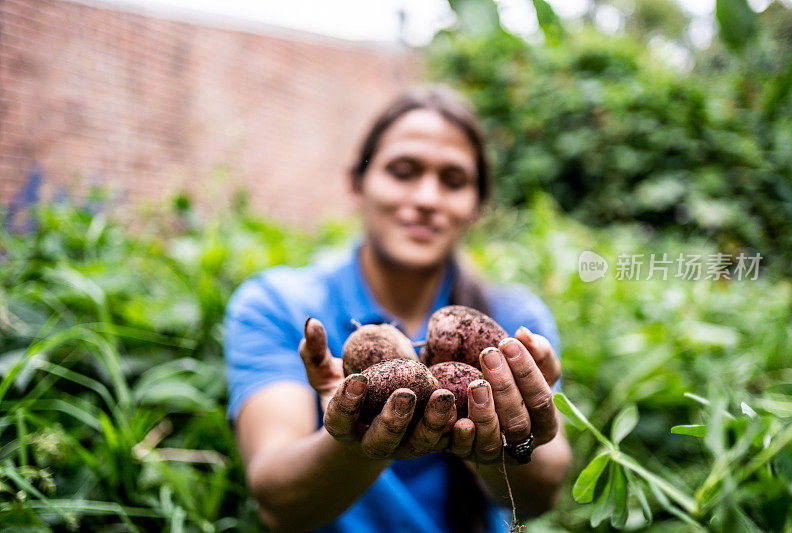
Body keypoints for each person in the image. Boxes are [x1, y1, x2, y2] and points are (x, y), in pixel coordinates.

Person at [224, 85, 571, 533]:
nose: (427, 198)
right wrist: (355, 443)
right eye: (403, 171)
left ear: (477, 204)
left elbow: (543, 494)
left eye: (454, 180)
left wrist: (510, 444)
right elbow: (277, 501)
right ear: (357, 183)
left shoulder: (516, 320)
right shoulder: (278, 304)